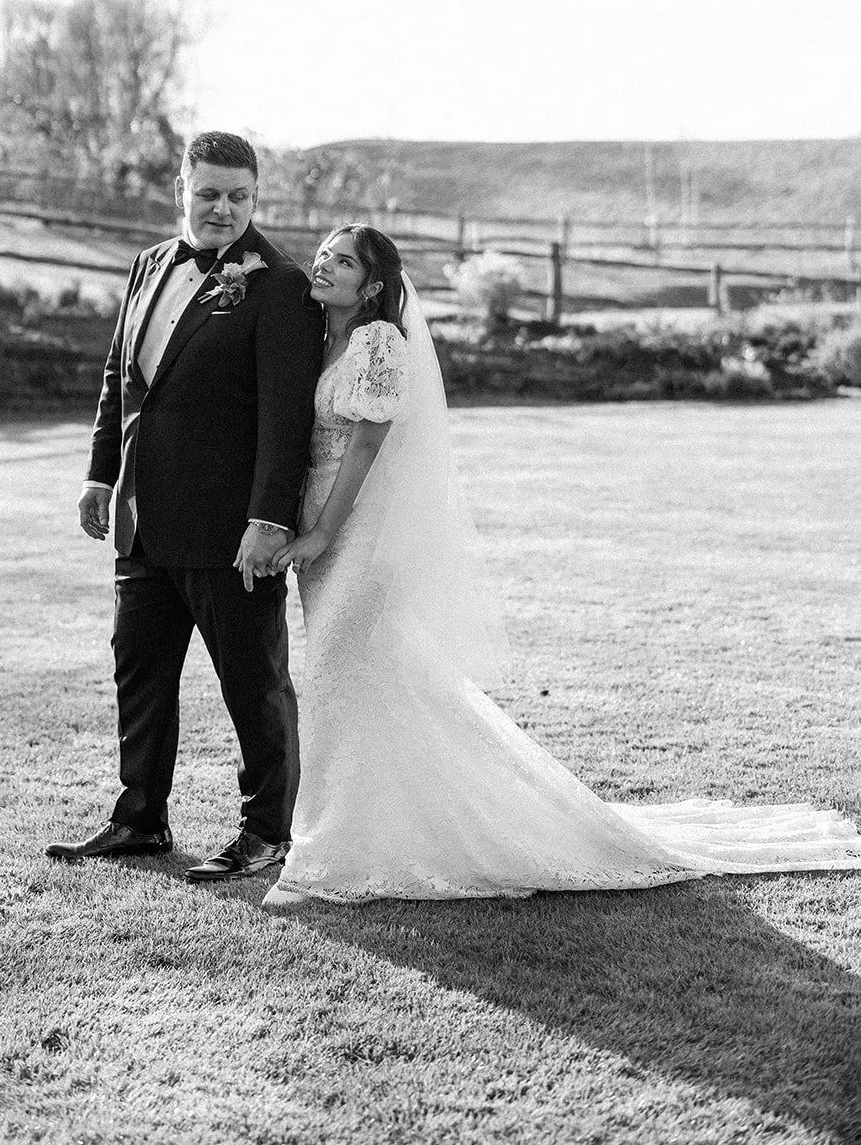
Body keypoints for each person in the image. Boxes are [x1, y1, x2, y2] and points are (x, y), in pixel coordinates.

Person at [262, 225, 861, 907]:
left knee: (343, 677)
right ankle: (382, 827)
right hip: (319, 525)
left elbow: (366, 445)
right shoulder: (320, 339)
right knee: (367, 681)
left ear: (371, 286)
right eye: (323, 255)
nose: (324, 265)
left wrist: (320, 534)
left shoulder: (377, 343)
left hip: (356, 531)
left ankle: (331, 855)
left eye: (343, 261)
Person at [46, 132, 323, 882]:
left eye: (239, 196)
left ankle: (266, 833)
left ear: (255, 198)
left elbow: (284, 419)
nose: (223, 209)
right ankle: (139, 820)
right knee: (138, 672)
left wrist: (268, 522)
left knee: (252, 685)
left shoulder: (279, 286)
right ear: (181, 189)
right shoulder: (148, 265)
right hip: (142, 520)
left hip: (230, 533)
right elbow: (121, 379)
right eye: (208, 194)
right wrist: (99, 475)